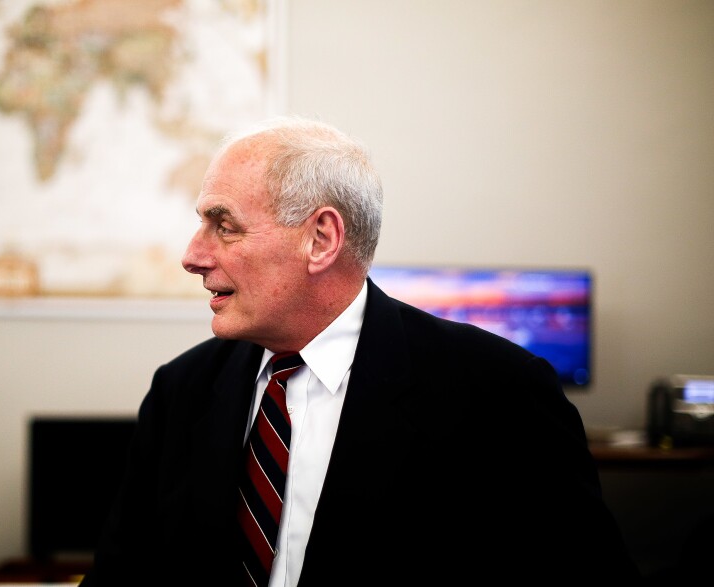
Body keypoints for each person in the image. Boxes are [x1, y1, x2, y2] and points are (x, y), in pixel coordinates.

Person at [79, 115, 641, 585]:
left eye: (223, 226)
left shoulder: (500, 394)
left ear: (320, 239)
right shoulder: (182, 390)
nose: (192, 255)